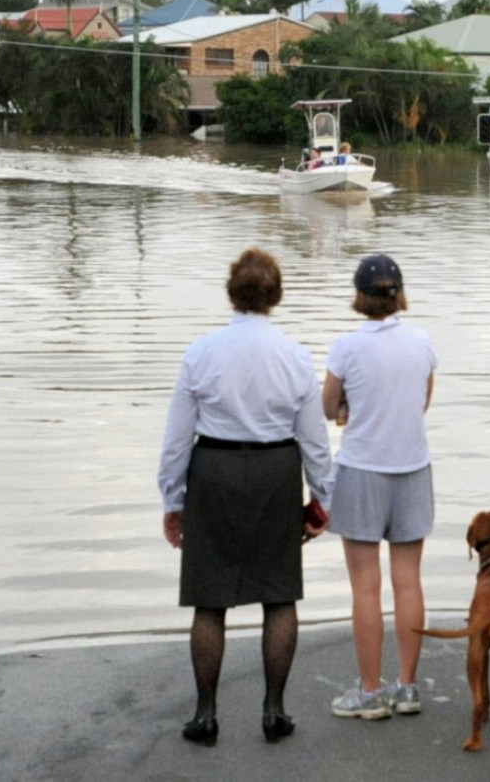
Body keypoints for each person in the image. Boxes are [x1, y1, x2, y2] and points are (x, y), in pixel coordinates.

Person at [157, 248, 333, 747]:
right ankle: (274, 710)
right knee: (279, 594)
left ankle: (205, 714)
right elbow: (314, 441)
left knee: (209, 601)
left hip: (213, 470)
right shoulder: (295, 355)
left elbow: (176, 438)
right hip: (277, 472)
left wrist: (173, 500)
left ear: (232, 292)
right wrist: (323, 499)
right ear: (276, 296)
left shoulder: (201, 352)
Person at [323, 254, 438, 721]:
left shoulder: (346, 348)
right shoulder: (423, 342)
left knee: (365, 587)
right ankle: (406, 687)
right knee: (408, 581)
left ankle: (370, 692)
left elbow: (329, 408)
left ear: (359, 296)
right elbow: (422, 402)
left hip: (363, 469)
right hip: (413, 466)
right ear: (400, 294)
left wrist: (351, 405)